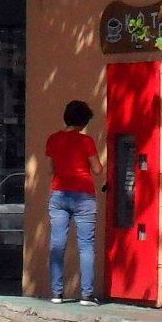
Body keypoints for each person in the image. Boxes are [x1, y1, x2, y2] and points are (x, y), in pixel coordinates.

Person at [47, 98, 103, 304]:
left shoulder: (53, 139)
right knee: (86, 245)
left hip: (59, 194)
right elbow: (97, 169)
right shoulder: (86, 141)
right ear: (83, 122)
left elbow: (51, 169)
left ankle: (56, 293)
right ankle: (86, 295)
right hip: (84, 196)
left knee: (57, 244)